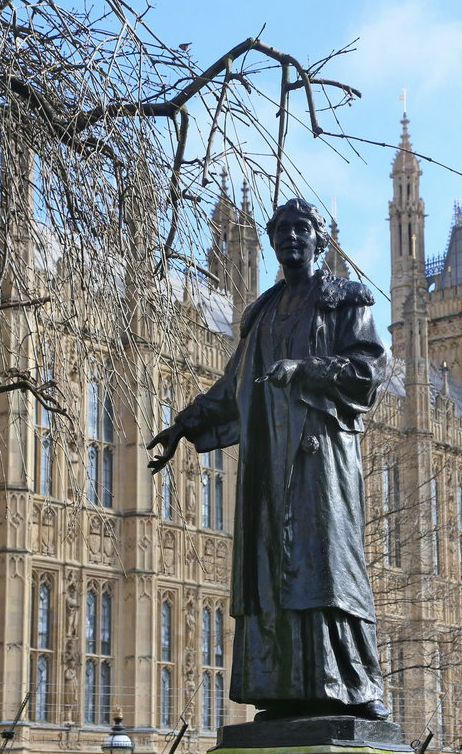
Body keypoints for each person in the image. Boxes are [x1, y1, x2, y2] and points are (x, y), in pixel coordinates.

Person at [148, 198, 388, 721]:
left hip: (318, 459)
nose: (292, 239)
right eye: (282, 231)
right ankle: (284, 690)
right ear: (271, 243)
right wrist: (183, 423)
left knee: (325, 570)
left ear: (319, 240)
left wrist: (306, 370)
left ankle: (348, 684)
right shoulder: (260, 312)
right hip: (268, 463)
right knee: (273, 576)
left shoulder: (343, 299)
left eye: (302, 230)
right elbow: (234, 387)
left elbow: (369, 372)